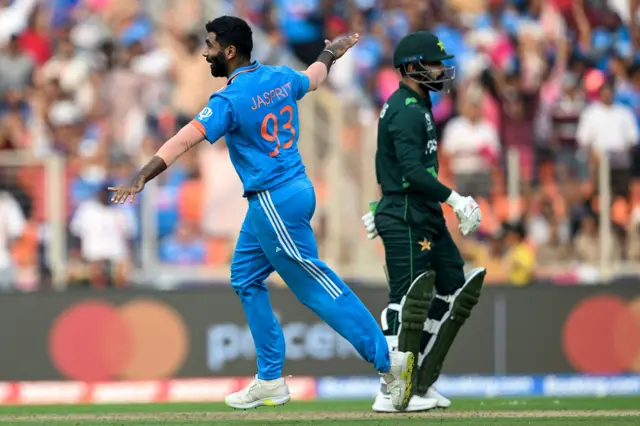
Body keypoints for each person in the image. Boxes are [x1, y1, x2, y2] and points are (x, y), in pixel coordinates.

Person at [108, 16, 414, 411]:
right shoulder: (279, 76)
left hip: (273, 198)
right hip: (289, 191)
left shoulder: (229, 100)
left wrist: (141, 175)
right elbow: (315, 77)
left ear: (230, 51)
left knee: (313, 283)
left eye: (211, 45)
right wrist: (329, 52)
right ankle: (270, 378)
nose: (206, 52)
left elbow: (185, 139)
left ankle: (388, 361)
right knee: (245, 277)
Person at [361, 31, 486, 413]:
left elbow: (395, 161)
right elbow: (412, 171)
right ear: (412, 67)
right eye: (433, 63)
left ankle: (419, 381)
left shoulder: (420, 101)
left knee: (453, 291)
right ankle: (390, 390)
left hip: (420, 210)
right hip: (406, 213)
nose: (440, 69)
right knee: (405, 303)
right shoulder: (403, 109)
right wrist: (455, 200)